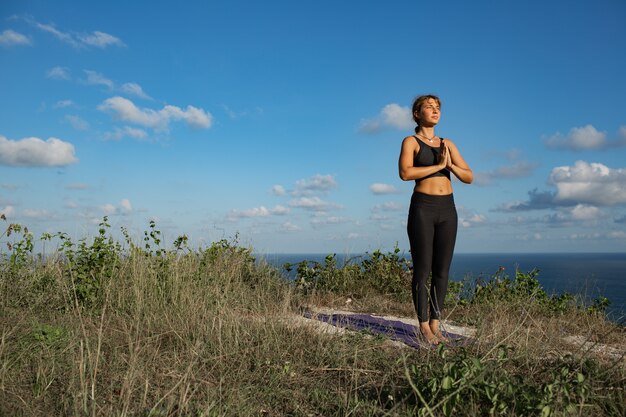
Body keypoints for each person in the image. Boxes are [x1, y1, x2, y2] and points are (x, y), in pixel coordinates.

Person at [398, 95, 473, 344]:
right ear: (417, 114)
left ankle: (436, 324)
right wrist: (437, 165)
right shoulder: (411, 141)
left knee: (442, 270)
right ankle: (423, 327)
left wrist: (449, 165)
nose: (435, 110)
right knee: (423, 269)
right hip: (423, 208)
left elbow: (469, 176)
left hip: (447, 209)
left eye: (438, 107)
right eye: (429, 107)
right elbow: (406, 173)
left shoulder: (447, 144)